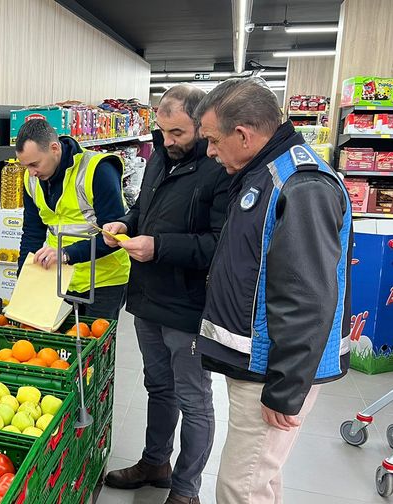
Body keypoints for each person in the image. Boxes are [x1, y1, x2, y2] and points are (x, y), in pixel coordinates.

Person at [194, 77, 352, 504]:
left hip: (272, 369)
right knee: (258, 476)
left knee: (240, 487)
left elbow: (308, 297)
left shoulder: (300, 185)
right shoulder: (263, 174)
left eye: (212, 140)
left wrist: (285, 389)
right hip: (259, 361)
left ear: (243, 134)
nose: (209, 152)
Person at [101, 85, 229, 504]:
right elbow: (143, 210)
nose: (169, 140)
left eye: (178, 133)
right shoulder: (160, 155)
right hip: (148, 297)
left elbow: (218, 244)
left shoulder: (219, 168)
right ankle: (155, 462)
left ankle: (186, 490)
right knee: (158, 386)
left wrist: (159, 247)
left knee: (194, 400)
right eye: (163, 130)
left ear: (202, 124)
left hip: (188, 306)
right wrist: (125, 223)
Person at [15, 118, 129, 320]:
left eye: (34, 164)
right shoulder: (31, 179)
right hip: (61, 278)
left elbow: (116, 237)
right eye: (26, 166)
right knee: (59, 339)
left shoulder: (98, 170)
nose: (31, 172)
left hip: (104, 280)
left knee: (94, 338)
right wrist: (24, 276)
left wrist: (67, 254)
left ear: (54, 148)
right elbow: (32, 231)